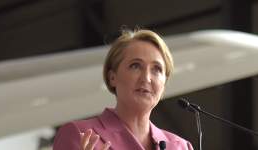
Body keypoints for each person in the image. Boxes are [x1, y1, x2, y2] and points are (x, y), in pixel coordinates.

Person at [53, 29, 194, 150]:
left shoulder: (181, 146)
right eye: (135, 66)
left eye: (156, 69)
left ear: (164, 83)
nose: (146, 78)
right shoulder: (79, 134)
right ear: (112, 77)